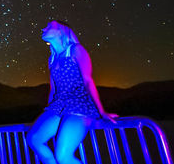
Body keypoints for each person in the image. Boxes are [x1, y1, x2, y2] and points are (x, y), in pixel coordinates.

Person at [27, 20, 118, 164]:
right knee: (34, 139)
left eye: (50, 26)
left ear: (62, 31)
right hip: (59, 106)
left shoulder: (76, 50)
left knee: (63, 156)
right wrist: (49, 111)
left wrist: (101, 112)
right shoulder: (52, 58)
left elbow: (88, 81)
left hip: (79, 104)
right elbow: (53, 89)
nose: (44, 28)